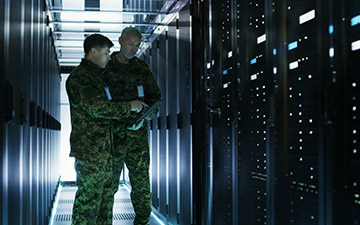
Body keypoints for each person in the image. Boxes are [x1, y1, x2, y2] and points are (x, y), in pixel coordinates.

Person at [66, 34, 147, 225]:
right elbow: (97, 108)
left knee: (104, 201)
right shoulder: (80, 78)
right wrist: (129, 106)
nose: (109, 57)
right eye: (106, 53)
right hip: (91, 153)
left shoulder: (96, 78)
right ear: (93, 52)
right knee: (88, 203)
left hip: (104, 151)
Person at [102, 27, 161, 225]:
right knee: (108, 185)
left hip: (137, 137)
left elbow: (156, 100)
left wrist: (145, 118)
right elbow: (98, 103)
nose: (134, 48)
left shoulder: (141, 69)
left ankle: (143, 222)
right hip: (112, 136)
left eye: (137, 45)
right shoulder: (106, 66)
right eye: (130, 43)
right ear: (120, 41)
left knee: (142, 184)